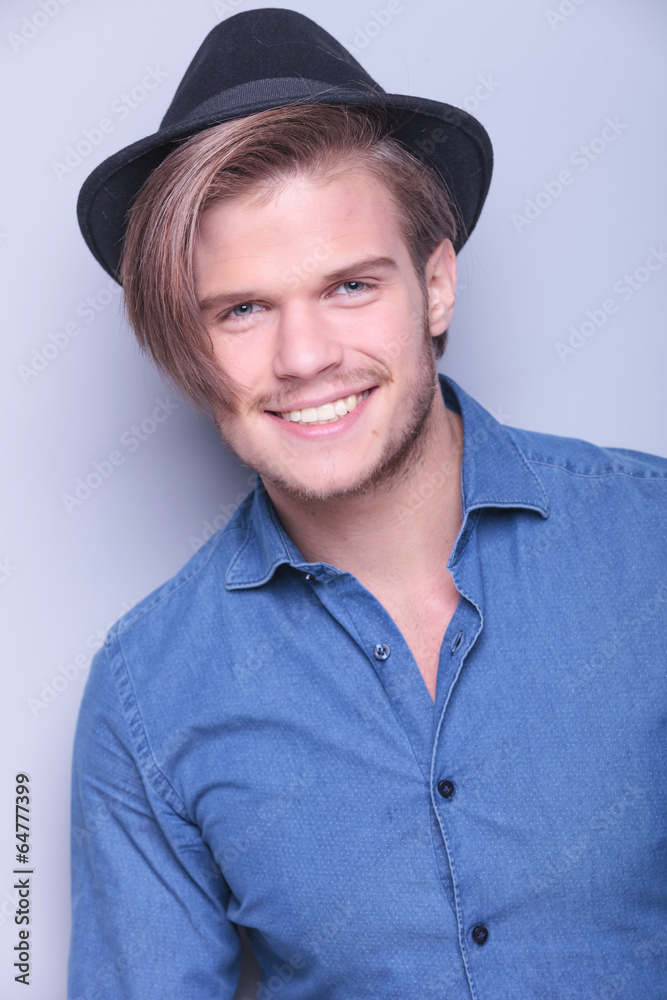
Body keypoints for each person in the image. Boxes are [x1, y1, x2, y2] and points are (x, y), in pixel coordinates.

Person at [68, 9, 667, 1000]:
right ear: (188, 345)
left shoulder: (649, 547)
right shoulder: (147, 700)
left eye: (349, 286)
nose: (303, 359)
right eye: (243, 308)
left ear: (434, 286)